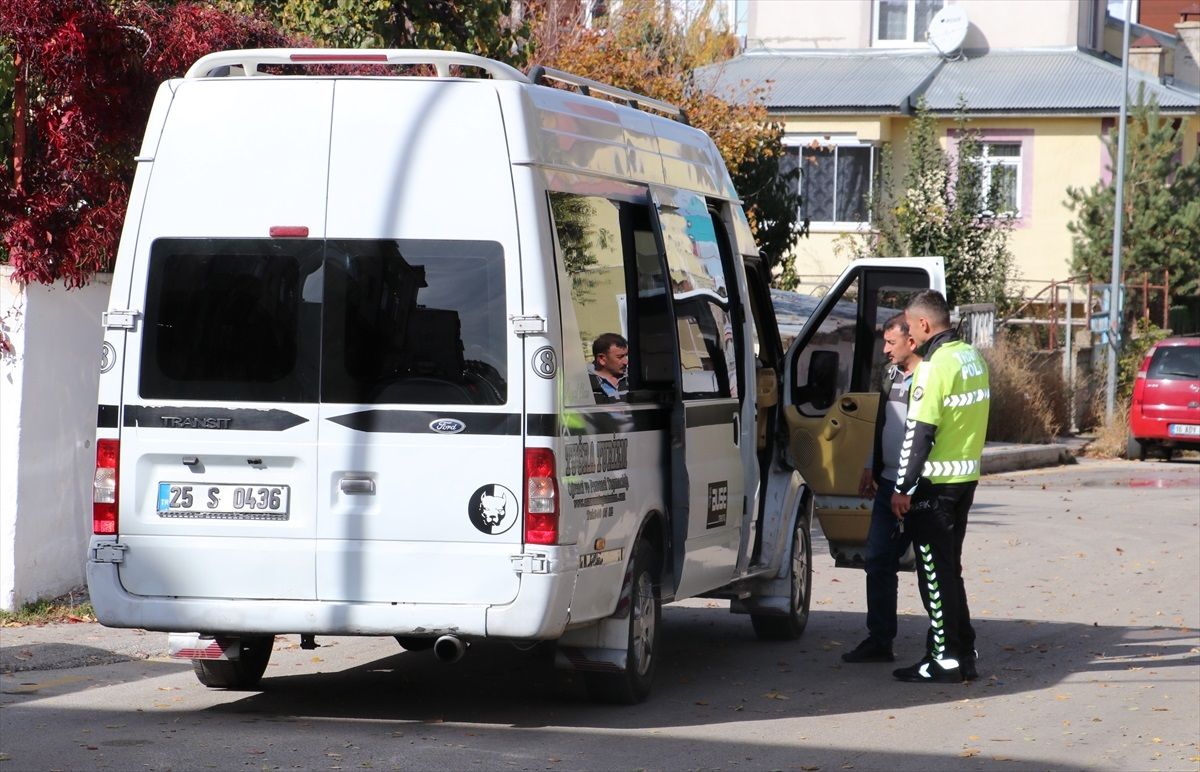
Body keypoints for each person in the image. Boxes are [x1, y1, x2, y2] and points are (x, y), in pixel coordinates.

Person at [890, 290, 989, 683]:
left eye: (911, 327)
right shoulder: (972, 357)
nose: (909, 336)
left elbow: (919, 432)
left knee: (933, 572)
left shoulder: (934, 366)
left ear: (924, 325)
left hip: (935, 486)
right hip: (965, 480)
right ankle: (963, 651)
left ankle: (944, 659)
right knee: (950, 571)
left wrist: (902, 487)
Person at [842, 313, 921, 665]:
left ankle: (946, 642)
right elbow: (881, 422)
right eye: (884, 342)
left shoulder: (930, 377)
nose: (885, 350)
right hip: (888, 481)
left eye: (891, 343)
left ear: (912, 341)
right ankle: (880, 639)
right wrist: (870, 464)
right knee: (877, 559)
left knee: (933, 565)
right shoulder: (890, 375)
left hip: (921, 486)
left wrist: (909, 483)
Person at [589, 332, 629, 403]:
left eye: (626, 355)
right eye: (620, 357)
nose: (626, 362)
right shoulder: (584, 383)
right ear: (602, 359)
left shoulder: (633, 378)